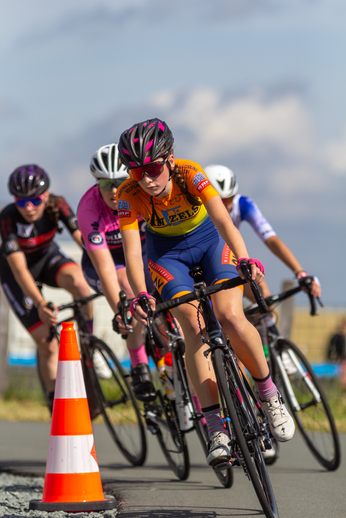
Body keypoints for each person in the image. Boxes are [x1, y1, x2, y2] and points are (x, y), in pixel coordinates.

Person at [115, 117, 295, 468]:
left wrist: (243, 257)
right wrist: (140, 294)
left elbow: (225, 221)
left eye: (152, 167)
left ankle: (270, 397)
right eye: (138, 172)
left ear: (169, 158)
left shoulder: (189, 173)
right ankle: (216, 428)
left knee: (229, 315)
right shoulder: (127, 194)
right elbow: (133, 251)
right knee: (194, 330)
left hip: (209, 243)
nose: (148, 179)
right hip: (167, 255)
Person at [0, 164, 93, 411]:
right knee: (48, 343)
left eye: (34, 200)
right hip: (17, 273)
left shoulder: (57, 204)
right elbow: (19, 269)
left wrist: (103, 268)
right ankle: (56, 403)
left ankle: (89, 343)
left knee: (81, 284)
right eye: (22, 202)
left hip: (47, 259)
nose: (29, 207)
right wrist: (40, 304)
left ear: (46, 195)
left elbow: (83, 240)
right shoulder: (8, 217)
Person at [77, 143, 156, 402]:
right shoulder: (89, 209)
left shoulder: (142, 194)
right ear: (96, 184)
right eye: (105, 184)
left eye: (120, 181)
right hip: (106, 263)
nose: (113, 190)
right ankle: (138, 363)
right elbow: (106, 271)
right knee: (131, 293)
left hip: (141, 254)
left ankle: (170, 359)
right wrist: (120, 311)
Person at [204, 164, 321, 301]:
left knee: (263, 296)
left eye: (228, 199)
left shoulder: (243, 204)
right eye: (219, 201)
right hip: (202, 261)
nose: (226, 206)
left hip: (225, 258)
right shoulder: (199, 212)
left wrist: (300, 273)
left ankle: (265, 320)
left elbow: (271, 240)